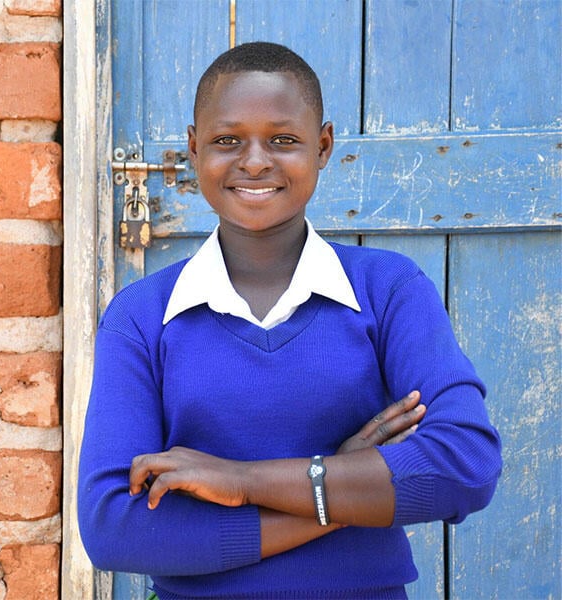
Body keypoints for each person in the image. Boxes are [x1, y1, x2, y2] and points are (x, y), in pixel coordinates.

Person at [78, 41, 502, 599]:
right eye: (227, 140)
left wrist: (242, 480)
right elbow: (115, 528)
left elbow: (464, 466)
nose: (255, 161)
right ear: (192, 147)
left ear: (323, 145)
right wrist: (338, 486)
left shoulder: (387, 290)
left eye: (283, 139)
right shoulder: (141, 319)